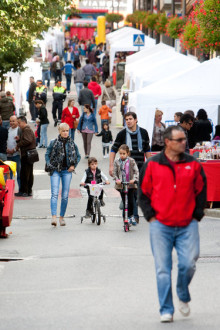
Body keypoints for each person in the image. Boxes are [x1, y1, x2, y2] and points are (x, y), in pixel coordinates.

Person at [138, 125, 207, 323]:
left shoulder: (193, 164)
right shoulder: (152, 165)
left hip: (187, 224)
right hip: (161, 225)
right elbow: (143, 193)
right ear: (167, 142)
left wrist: (197, 215)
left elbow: (201, 190)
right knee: (162, 269)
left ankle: (182, 293)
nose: (184, 142)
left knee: (189, 263)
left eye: (184, 139)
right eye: (180, 140)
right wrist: (151, 216)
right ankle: (166, 309)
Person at [110, 112, 151, 223]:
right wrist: (111, 166)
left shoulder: (143, 132)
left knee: (136, 193)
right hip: (125, 169)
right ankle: (133, 215)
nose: (128, 121)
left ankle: (131, 214)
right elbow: (113, 150)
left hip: (140, 167)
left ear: (136, 120)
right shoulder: (122, 134)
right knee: (131, 193)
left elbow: (147, 150)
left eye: (130, 119)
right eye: (126, 119)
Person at [45, 123, 80, 227]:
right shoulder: (53, 142)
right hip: (55, 170)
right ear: (59, 131)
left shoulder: (72, 143)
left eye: (67, 130)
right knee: (54, 193)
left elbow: (78, 156)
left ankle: (61, 217)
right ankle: (54, 217)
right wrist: (49, 164)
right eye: (63, 131)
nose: (65, 133)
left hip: (67, 171)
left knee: (65, 196)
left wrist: (73, 166)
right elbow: (47, 154)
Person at [113, 144, 139, 226]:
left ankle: (131, 216)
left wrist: (134, 179)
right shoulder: (116, 161)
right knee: (125, 202)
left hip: (130, 185)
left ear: (127, 153)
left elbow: (136, 171)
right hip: (121, 185)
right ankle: (125, 218)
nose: (122, 155)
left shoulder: (131, 161)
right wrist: (117, 179)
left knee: (131, 201)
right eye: (120, 153)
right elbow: (114, 172)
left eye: (124, 153)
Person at [15, 116, 36, 197]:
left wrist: (18, 145)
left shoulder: (26, 130)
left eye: (19, 122)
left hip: (27, 154)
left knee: (25, 173)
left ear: (24, 122)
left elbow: (27, 140)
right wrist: (19, 139)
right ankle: (28, 191)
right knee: (28, 173)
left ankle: (25, 191)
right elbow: (27, 139)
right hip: (29, 154)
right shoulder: (26, 130)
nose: (18, 124)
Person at [6, 115, 21, 191]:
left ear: (17, 122)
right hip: (8, 155)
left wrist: (14, 150)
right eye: (10, 121)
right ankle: (9, 190)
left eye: (13, 121)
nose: (11, 123)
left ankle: (21, 189)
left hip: (16, 155)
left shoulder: (19, 130)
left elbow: (21, 142)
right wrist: (7, 149)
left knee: (19, 173)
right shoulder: (8, 130)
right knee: (9, 174)